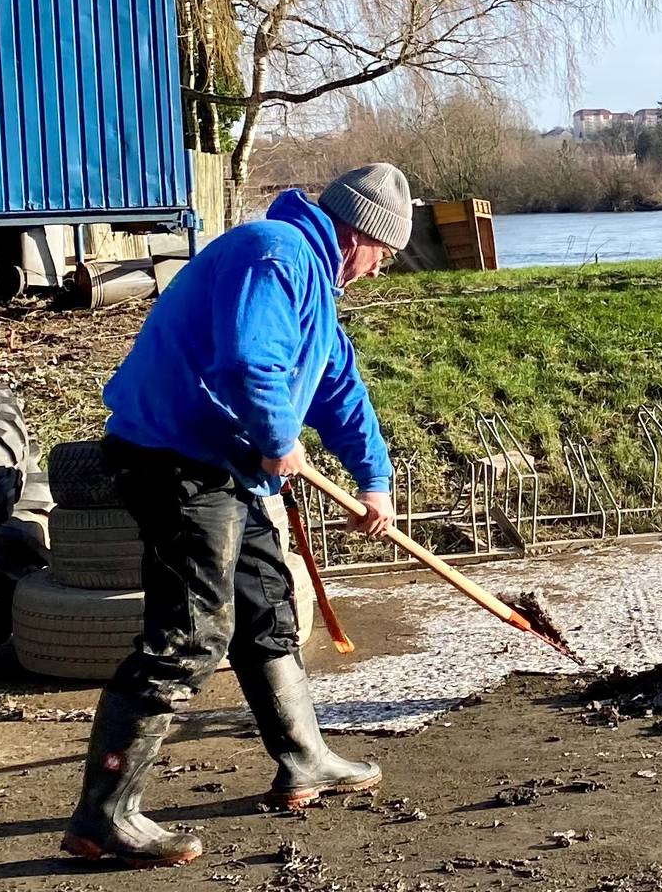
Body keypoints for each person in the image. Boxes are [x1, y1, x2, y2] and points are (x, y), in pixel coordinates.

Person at [61, 164, 412, 867]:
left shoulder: (312, 275)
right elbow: (250, 363)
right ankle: (104, 816)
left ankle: (304, 758)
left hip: (226, 466)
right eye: (385, 254)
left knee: (263, 605)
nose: (379, 272)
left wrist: (374, 480)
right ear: (360, 233)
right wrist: (280, 441)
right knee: (193, 632)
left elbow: (337, 384)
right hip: (174, 460)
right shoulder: (273, 253)